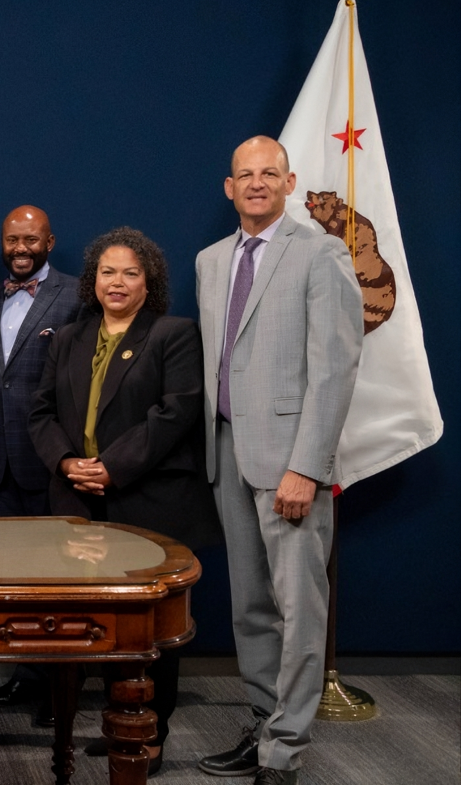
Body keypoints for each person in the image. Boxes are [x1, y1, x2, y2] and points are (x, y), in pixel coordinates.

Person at [196, 137, 362, 785]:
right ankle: (264, 723)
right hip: (227, 450)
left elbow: (335, 367)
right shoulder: (212, 260)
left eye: (270, 173)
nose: (257, 183)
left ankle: (285, 750)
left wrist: (308, 466)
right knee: (250, 607)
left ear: (290, 183)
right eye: (245, 174)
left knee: (299, 609)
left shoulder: (322, 253)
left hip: (291, 460)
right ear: (228, 187)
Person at [29, 226, 222, 774]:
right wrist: (68, 463)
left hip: (148, 499)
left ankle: (150, 734)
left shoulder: (174, 334)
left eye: (130, 273)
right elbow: (40, 412)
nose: (117, 282)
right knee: (91, 624)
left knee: (147, 630)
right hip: (77, 500)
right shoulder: (69, 337)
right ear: (93, 280)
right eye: (107, 272)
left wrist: (112, 468)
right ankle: (117, 722)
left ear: (148, 281)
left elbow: (175, 413)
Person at [0, 205, 82, 713]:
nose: (20, 249)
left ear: (49, 243)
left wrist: (71, 455)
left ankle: (64, 686)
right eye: (12, 239)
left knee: (59, 579)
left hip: (52, 462)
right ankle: (28, 676)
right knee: (13, 577)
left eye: (31, 240)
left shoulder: (77, 295)